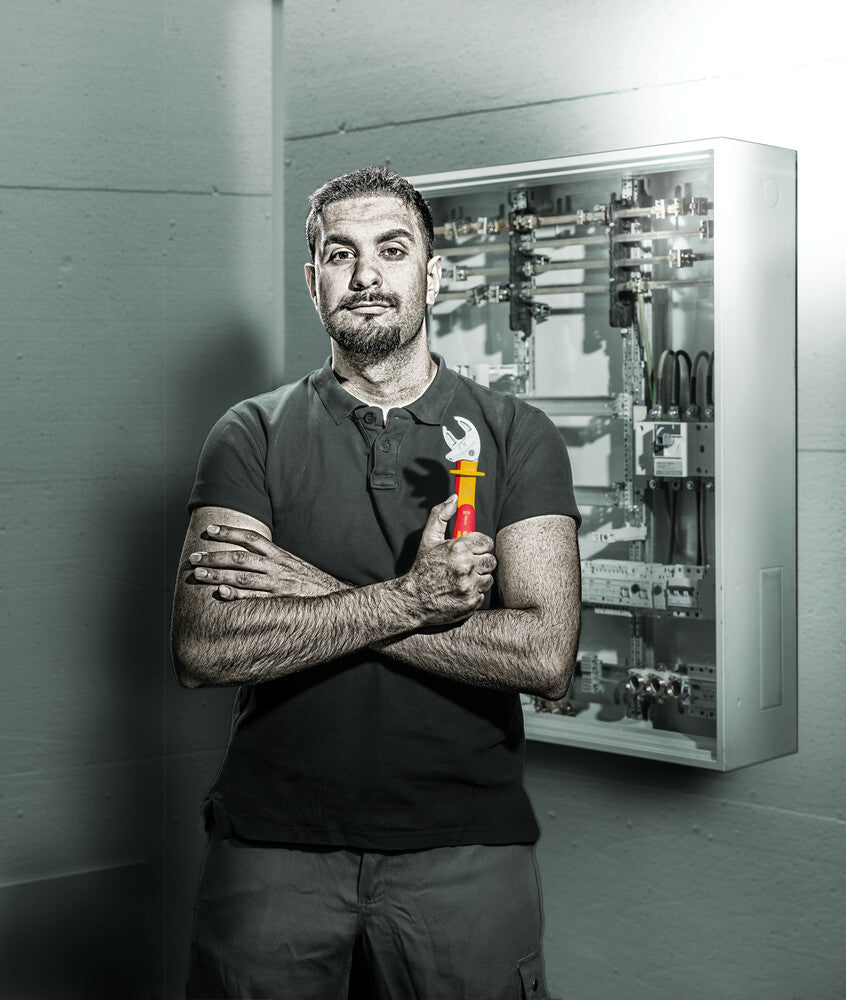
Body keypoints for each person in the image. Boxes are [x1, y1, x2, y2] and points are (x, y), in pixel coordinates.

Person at [171, 165, 581, 1000]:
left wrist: (308, 591)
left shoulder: (516, 435)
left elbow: (544, 656)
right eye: (340, 254)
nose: (366, 275)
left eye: (392, 250)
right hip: (272, 846)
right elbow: (205, 647)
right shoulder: (250, 434)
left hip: (465, 848)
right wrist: (410, 601)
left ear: (433, 274)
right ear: (312, 280)